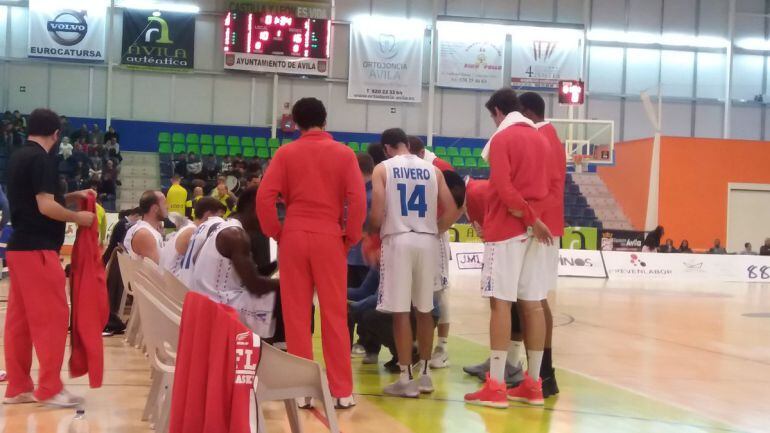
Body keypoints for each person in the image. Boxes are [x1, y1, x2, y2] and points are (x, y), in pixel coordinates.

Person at [257, 97, 366, 409]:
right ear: (325, 120)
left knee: (296, 315)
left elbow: (265, 196)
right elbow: (357, 200)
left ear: (296, 123)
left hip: (293, 235)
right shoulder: (344, 154)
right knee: (334, 314)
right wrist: (350, 237)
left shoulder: (286, 152)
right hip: (329, 237)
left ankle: (302, 390)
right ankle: (341, 390)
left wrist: (276, 231)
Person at [464, 88, 553, 409]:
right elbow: (550, 186)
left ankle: (497, 384)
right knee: (532, 304)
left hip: (507, 228)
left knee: (500, 303)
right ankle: (533, 383)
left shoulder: (503, 139)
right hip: (536, 230)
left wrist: (527, 216)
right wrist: (537, 220)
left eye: (492, 117)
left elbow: (501, 187)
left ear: (498, 113)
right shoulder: (541, 139)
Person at [3, 108, 95, 407]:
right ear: (56, 134)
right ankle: (50, 388)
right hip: (38, 250)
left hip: (18, 249)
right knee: (52, 319)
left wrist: (70, 195)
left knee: (20, 322)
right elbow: (44, 206)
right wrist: (77, 217)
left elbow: (32, 201)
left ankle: (18, 386)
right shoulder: (43, 159)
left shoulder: (19, 156)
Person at [369, 128, 461, 398]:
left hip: (398, 240)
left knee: (400, 312)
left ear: (386, 148)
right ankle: (425, 376)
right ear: (408, 144)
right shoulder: (433, 170)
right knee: (424, 309)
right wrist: (436, 229)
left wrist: (369, 235)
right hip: (427, 240)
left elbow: (376, 213)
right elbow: (454, 207)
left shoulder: (383, 169)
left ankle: (405, 377)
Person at [160, 197, 225, 278]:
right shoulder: (194, 232)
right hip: (175, 282)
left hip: (171, 278)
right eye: (219, 217)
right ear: (208, 215)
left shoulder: (189, 228)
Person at [123, 191, 167, 263]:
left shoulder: (150, 230)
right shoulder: (145, 234)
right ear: (155, 208)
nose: (167, 207)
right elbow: (158, 270)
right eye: (164, 203)